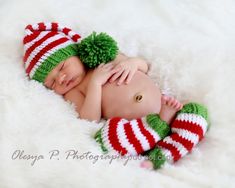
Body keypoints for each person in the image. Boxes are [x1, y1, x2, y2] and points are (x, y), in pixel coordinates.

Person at [23, 22, 209, 170]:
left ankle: (167, 149)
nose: (61, 79)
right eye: (52, 83)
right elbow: (90, 118)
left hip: (166, 104)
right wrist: (95, 84)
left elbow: (144, 66)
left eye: (62, 67)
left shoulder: (106, 57)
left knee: (195, 112)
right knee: (108, 139)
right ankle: (159, 138)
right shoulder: (74, 92)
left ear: (76, 53)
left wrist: (133, 64)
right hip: (138, 127)